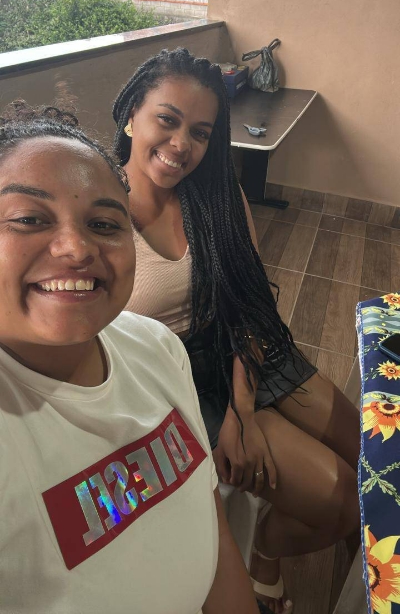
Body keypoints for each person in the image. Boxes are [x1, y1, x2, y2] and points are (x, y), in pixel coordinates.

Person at [112, 48, 361, 614]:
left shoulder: (216, 198)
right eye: (167, 119)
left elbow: (246, 306)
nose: (181, 145)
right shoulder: (98, 214)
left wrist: (244, 409)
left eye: (200, 133)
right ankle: (265, 552)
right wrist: (225, 418)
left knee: (377, 460)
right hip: (176, 381)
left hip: (245, 349)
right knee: (343, 499)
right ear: (131, 115)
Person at [0, 102, 260, 614]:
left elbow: (212, 527)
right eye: (29, 218)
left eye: (103, 223)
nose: (77, 248)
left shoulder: (156, 346)